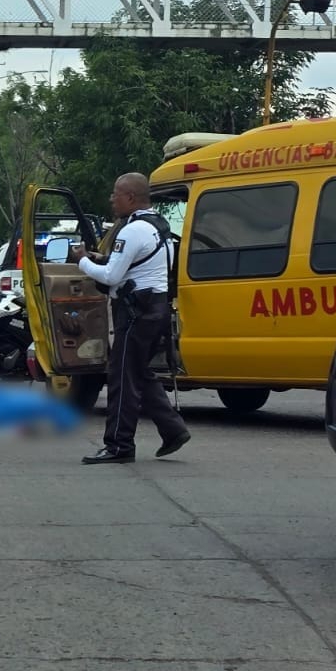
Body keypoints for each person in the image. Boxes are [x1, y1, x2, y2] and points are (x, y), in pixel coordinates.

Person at [70, 173, 190, 464]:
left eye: (116, 194)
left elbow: (111, 276)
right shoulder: (158, 227)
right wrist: (102, 260)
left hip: (136, 313)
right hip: (157, 308)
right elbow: (134, 267)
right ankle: (173, 430)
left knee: (121, 378)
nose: (112, 199)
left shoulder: (132, 230)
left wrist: (82, 260)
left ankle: (119, 446)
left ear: (131, 198)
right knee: (138, 373)